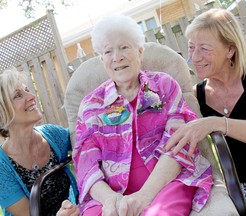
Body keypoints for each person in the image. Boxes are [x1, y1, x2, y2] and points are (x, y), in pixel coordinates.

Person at [72, 14, 213, 216]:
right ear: (102, 59)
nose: (116, 57)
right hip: (111, 193)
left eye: (124, 47)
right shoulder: (91, 105)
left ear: (139, 52)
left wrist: (144, 196)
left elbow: (179, 144)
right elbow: (85, 164)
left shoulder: (163, 86)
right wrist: (111, 200)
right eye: (108, 51)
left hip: (167, 184)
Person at [165, 8, 246, 215]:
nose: (194, 57)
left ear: (230, 49)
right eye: (191, 48)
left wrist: (216, 123)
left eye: (204, 48)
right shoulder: (197, 96)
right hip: (243, 188)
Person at [0, 68, 79, 216]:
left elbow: (82, 136)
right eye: (18, 95)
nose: (31, 96)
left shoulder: (52, 136)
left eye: (27, 90)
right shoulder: (1, 167)